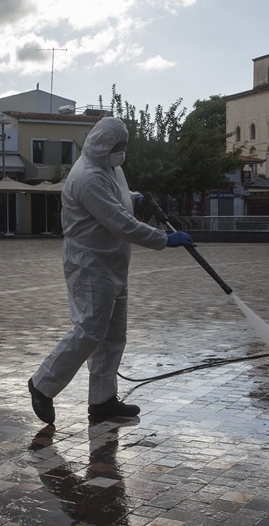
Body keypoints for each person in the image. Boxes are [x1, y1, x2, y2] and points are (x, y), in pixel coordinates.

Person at [28, 117, 194, 424]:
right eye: (117, 146)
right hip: (90, 264)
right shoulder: (87, 176)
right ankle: (42, 384)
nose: (122, 151)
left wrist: (134, 198)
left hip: (115, 262)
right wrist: (163, 239)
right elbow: (119, 221)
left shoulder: (109, 167)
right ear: (103, 144)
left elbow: (117, 200)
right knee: (90, 330)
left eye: (124, 146)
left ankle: (103, 401)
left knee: (114, 336)